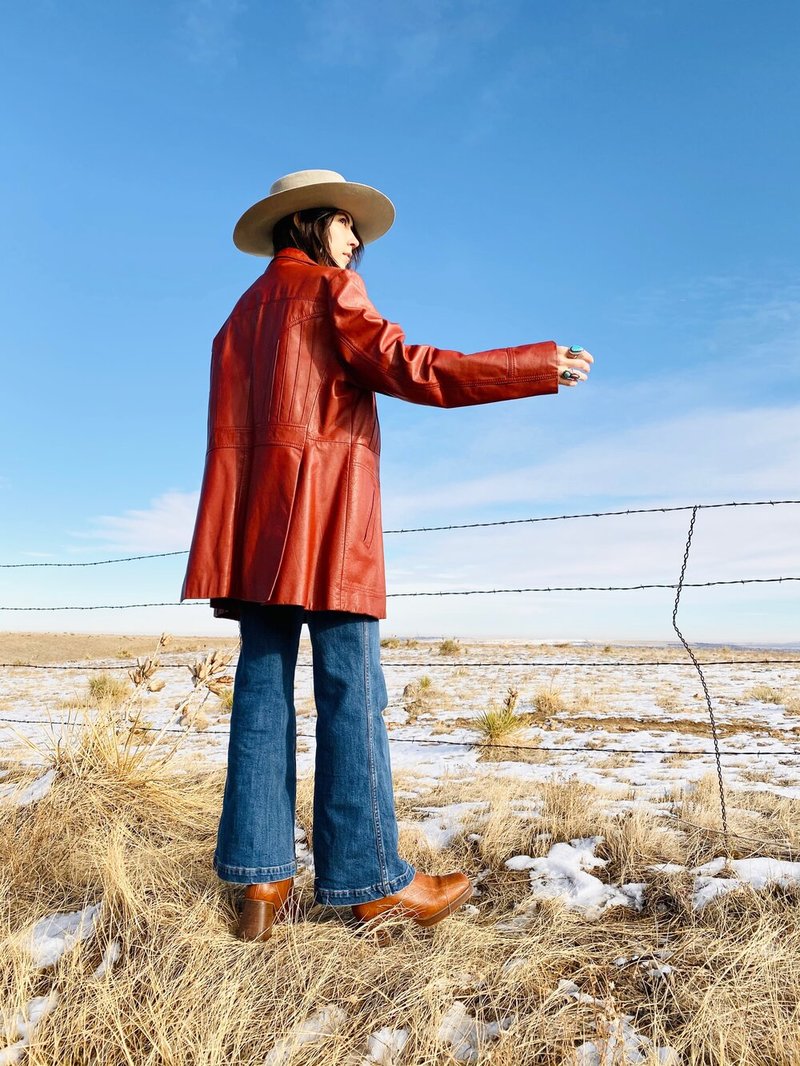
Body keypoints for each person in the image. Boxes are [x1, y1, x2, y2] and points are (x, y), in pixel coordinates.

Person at [181, 169, 593, 942]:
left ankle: (260, 885)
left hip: (254, 531)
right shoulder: (331, 292)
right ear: (306, 223)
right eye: (343, 222)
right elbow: (413, 366)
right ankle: (371, 882)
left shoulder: (237, 318)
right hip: (328, 523)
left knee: (262, 695)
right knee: (352, 693)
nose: (355, 238)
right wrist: (535, 366)